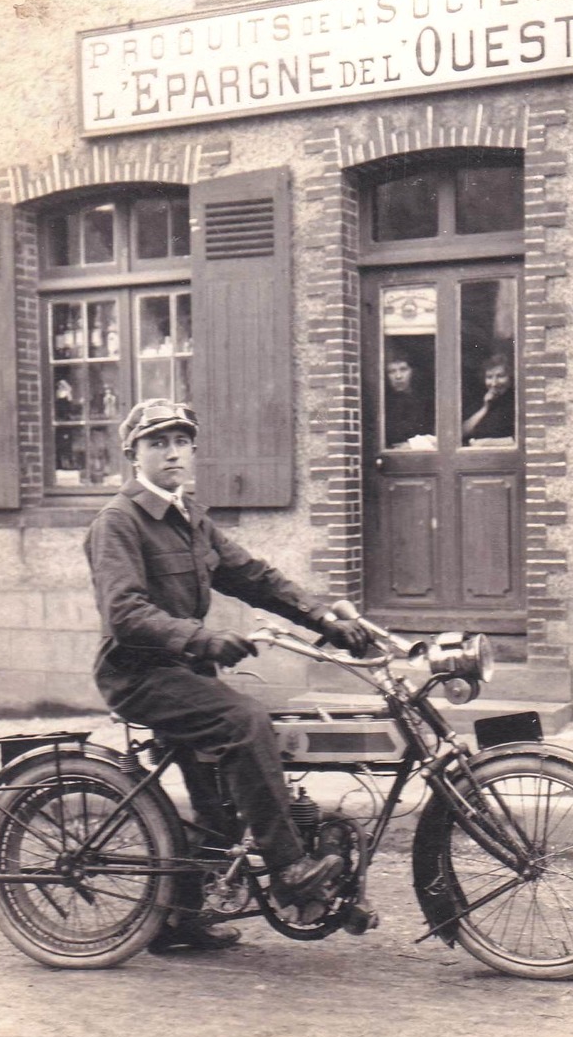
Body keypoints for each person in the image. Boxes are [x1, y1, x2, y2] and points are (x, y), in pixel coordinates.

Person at [84, 399, 370, 953]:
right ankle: (289, 868)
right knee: (244, 720)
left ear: (193, 449)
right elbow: (125, 614)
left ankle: (177, 920)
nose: (171, 452)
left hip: (184, 670)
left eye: (180, 441)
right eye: (156, 442)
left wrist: (326, 620)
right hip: (139, 675)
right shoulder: (117, 522)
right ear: (132, 454)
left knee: (219, 799)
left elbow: (258, 579)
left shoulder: (191, 518)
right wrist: (207, 641)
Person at [462, 353, 515, 444]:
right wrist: (485, 408)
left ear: (510, 377)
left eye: (500, 376)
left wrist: (488, 443)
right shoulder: (481, 401)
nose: (494, 383)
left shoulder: (516, 401)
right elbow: (461, 433)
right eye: (489, 377)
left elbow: (523, 439)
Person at [384, 359, 435, 447]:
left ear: (413, 372)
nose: (398, 376)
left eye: (403, 370)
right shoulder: (383, 405)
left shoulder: (427, 402)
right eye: (392, 371)